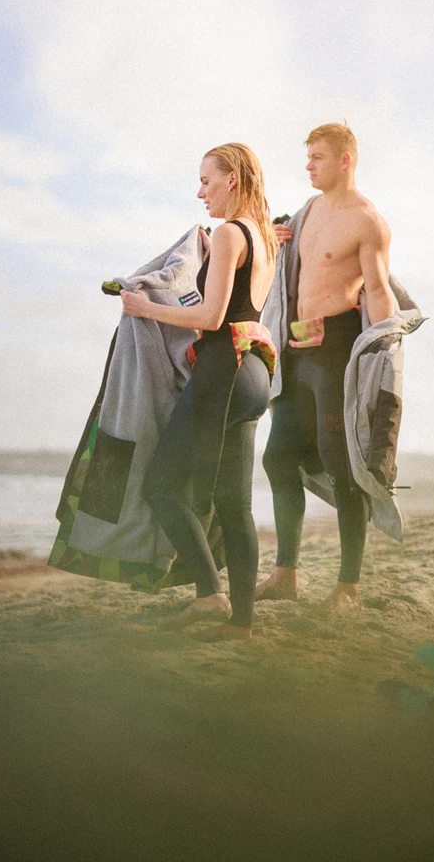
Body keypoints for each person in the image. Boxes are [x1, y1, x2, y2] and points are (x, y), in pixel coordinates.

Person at [121, 143, 277, 642]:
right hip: (254, 376)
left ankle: (210, 594)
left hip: (222, 372)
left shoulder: (232, 232)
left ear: (232, 179)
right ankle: (241, 624)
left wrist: (146, 309)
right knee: (237, 504)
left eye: (206, 180)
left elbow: (210, 318)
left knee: (162, 484)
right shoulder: (263, 237)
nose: (199, 191)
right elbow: (238, 307)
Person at [258, 122, 394, 611]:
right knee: (277, 458)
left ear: (345, 160)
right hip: (296, 350)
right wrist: (278, 241)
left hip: (336, 351)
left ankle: (349, 586)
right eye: (308, 156)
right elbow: (294, 266)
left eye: (317, 156)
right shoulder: (307, 210)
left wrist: (382, 359)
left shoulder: (367, 221)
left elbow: (377, 292)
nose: (309, 164)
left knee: (342, 468)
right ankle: (285, 576)